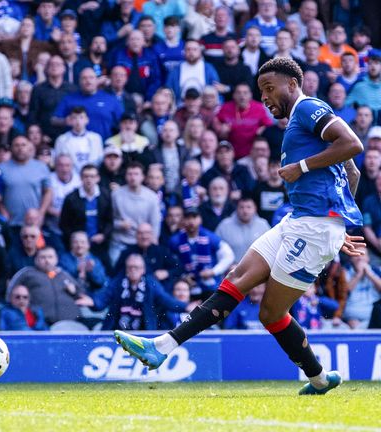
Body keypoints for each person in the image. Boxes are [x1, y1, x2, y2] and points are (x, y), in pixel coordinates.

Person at [114, 57, 365, 396]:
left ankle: (318, 379)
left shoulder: (308, 109)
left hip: (314, 230)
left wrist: (303, 170)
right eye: (262, 90)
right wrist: (339, 220)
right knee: (236, 279)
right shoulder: (299, 122)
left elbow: (353, 145)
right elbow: (352, 173)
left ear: (292, 84)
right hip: (301, 221)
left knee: (271, 313)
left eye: (269, 88)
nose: (265, 97)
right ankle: (162, 346)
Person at [76, 254, 189, 330]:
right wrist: (93, 302)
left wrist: (186, 307)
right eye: (130, 267)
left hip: (143, 333)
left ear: (143, 269)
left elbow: (166, 300)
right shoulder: (118, 282)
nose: (133, 270)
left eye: (136, 267)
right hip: (117, 331)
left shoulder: (150, 284)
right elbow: (103, 298)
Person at [8, 246, 83, 325]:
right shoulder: (27, 273)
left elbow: (81, 294)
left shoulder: (64, 274)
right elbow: (11, 293)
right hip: (41, 324)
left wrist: (75, 291)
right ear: (36, 260)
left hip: (71, 323)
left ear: (56, 259)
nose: (47, 260)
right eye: (43, 257)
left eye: (50, 257)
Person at [216, 197, 271, 263]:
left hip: (257, 269)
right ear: (237, 209)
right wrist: (226, 266)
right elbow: (216, 249)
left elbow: (270, 250)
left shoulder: (263, 225)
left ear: (255, 209)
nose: (245, 211)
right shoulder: (224, 226)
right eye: (241, 207)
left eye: (248, 207)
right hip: (231, 270)